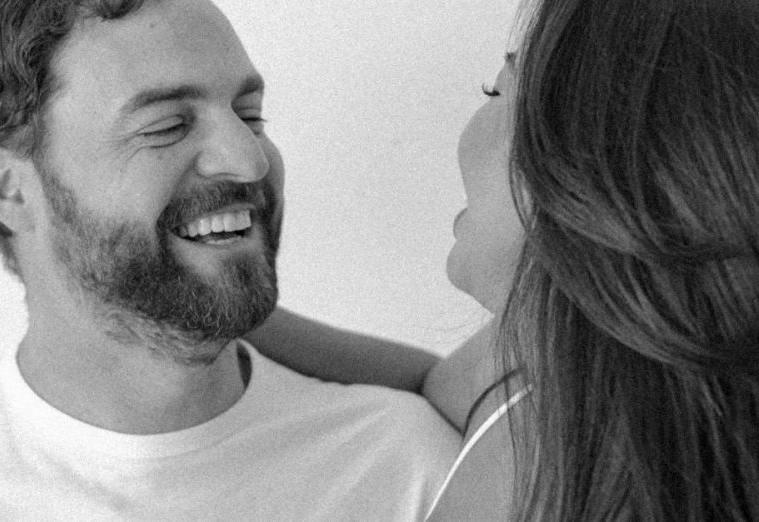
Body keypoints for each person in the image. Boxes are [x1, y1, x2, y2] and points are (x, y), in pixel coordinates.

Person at [0, 0, 460, 520]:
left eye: (249, 115)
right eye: (166, 126)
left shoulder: (409, 469)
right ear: (8, 189)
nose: (250, 160)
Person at [251, 0, 759, 519]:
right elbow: (432, 382)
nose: (469, 128)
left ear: (593, 166)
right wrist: (228, 313)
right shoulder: (543, 358)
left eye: (497, 92)